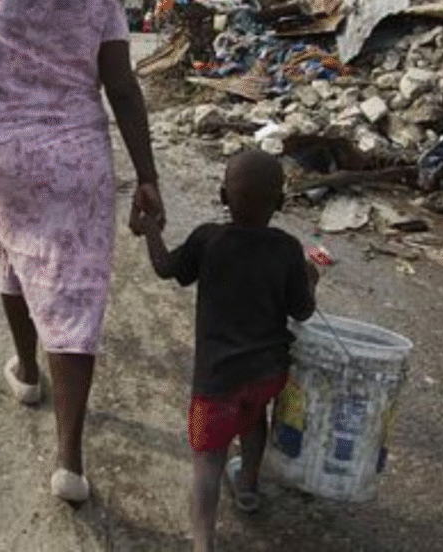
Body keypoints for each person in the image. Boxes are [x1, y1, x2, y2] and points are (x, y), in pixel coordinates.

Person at [0, 0, 164, 504]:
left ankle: (25, 372)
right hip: (77, 164)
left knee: (14, 257)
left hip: (6, 160)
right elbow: (122, 90)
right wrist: (146, 175)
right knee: (74, 301)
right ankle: (68, 461)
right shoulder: (101, 5)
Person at [135, 150, 317, 552]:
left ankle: (203, 542)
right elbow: (302, 310)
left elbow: (166, 268)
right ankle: (249, 486)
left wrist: (151, 229)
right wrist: (311, 280)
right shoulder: (287, 248)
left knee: (208, 457)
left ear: (222, 195)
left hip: (218, 381)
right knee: (253, 419)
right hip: (269, 373)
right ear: (281, 203)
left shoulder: (207, 240)